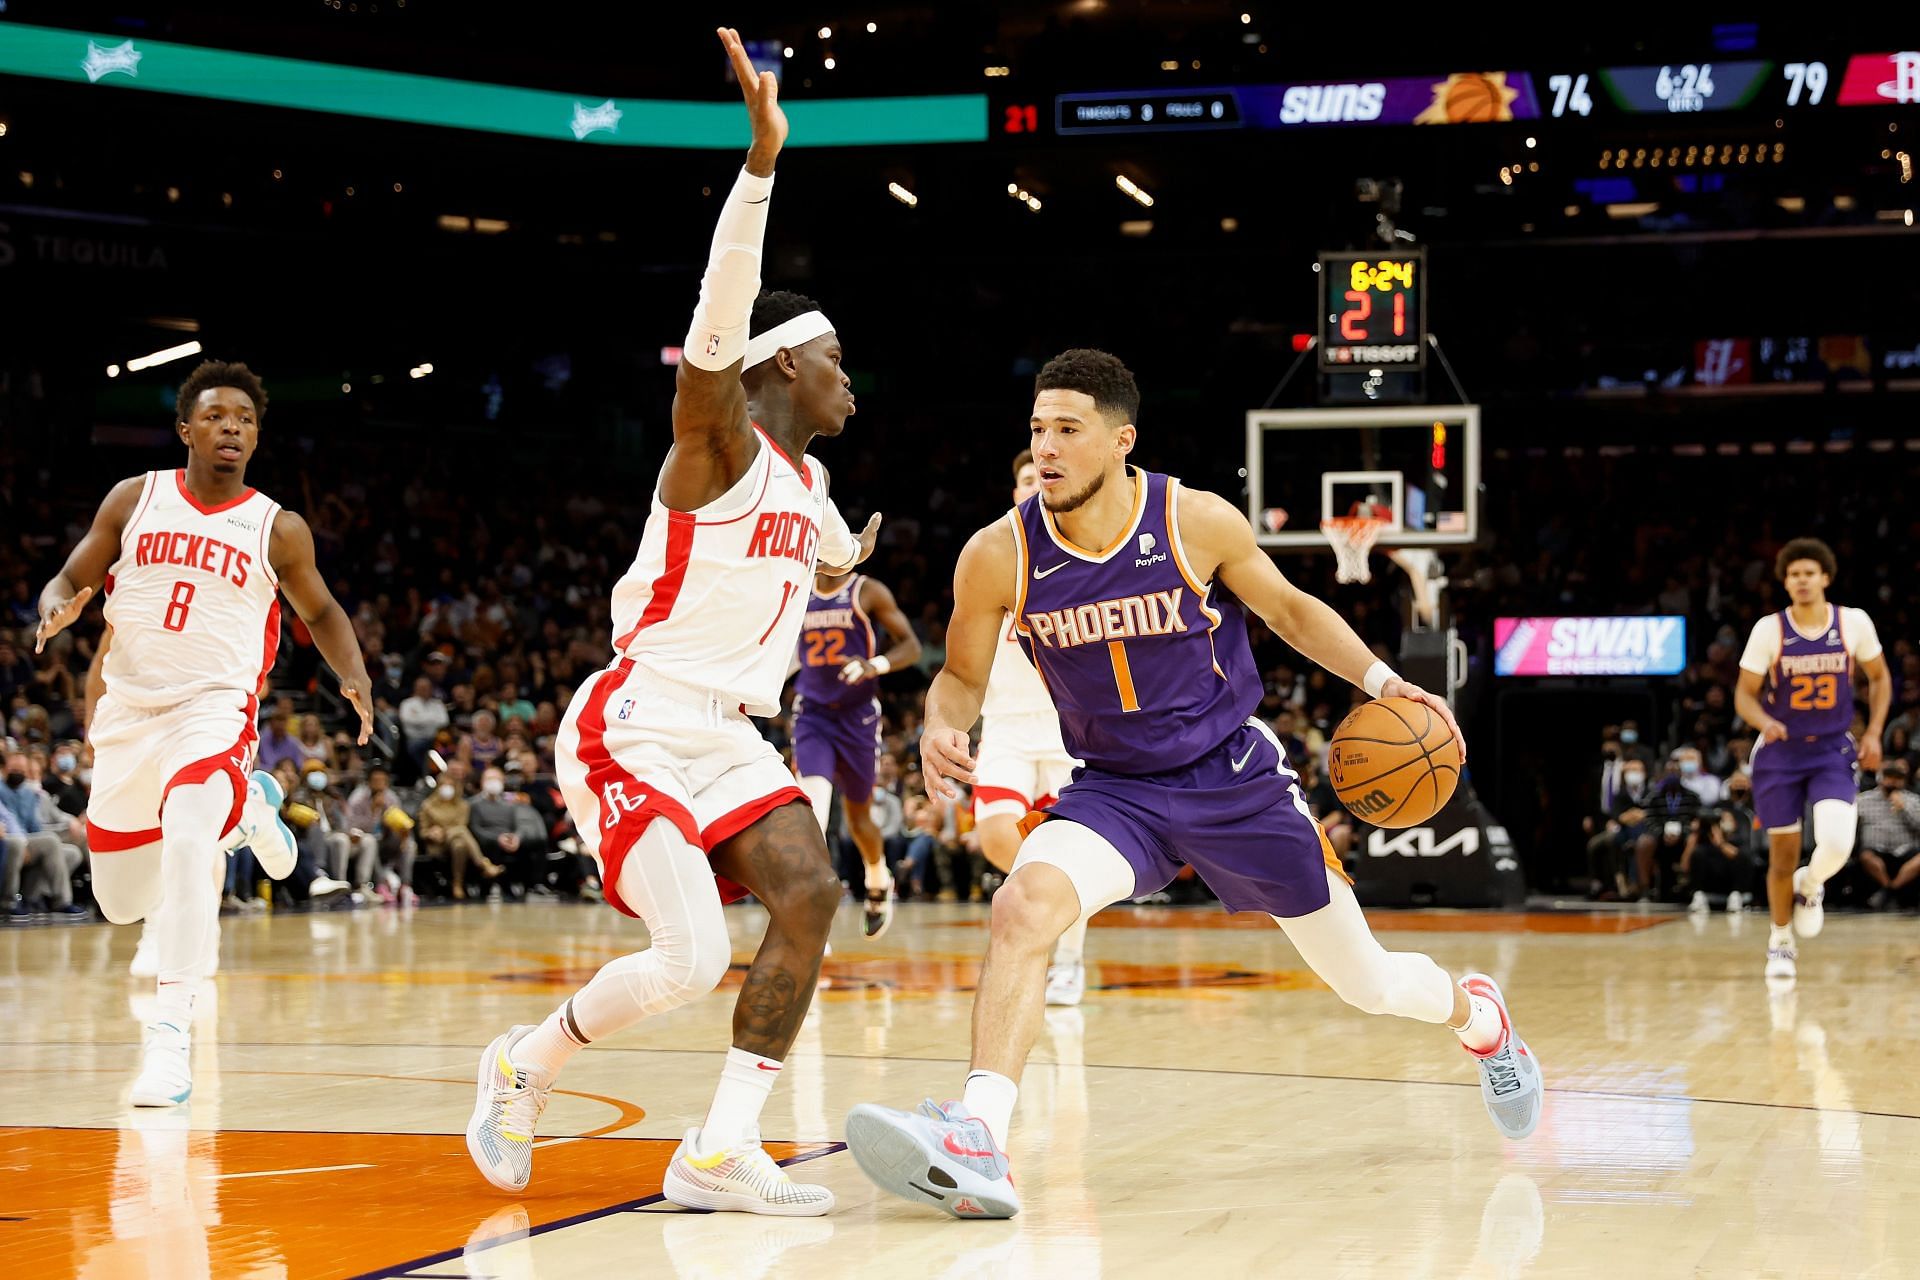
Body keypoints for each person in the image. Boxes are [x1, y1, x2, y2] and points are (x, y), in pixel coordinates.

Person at [845, 349, 1541, 1220]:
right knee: (1022, 906)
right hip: (1115, 790)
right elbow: (959, 674)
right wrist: (946, 722)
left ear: (1120, 440)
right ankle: (979, 1137)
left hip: (1233, 777)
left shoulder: (1194, 520)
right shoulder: (997, 555)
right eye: (1037, 431)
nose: (1047, 449)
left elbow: (1288, 612)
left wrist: (1382, 681)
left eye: (1069, 430)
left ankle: (1478, 1016)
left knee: (1366, 983)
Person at [465, 29, 877, 1216]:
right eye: (835, 361)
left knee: (810, 895)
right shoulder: (715, 444)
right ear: (780, 368)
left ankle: (717, 1150)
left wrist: (852, 550)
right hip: (635, 719)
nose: (852, 381)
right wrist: (760, 166)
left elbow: (828, 543)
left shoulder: (808, 488)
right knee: (691, 959)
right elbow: (718, 316)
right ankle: (524, 1062)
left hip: (736, 733)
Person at [33, 359, 372, 1106]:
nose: (233, 428)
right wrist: (56, 604)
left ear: (256, 437)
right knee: (121, 902)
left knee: (187, 836)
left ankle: (171, 1033)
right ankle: (247, 807)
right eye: (218, 416)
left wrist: (355, 677)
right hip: (128, 717)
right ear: (187, 429)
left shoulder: (277, 527)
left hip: (211, 712)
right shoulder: (135, 498)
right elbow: (71, 575)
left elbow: (321, 613)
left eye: (246, 420)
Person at [1734, 537, 1889, 982]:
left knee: (1838, 843)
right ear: (1785, 582)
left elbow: (1879, 678)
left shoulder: (1853, 622)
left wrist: (1875, 731)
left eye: (1809, 573)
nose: (1801, 580)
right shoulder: (1770, 629)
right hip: (1780, 753)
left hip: (1830, 749)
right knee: (1782, 854)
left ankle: (1813, 882)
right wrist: (1764, 720)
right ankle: (1780, 941)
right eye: (1793, 574)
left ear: (1825, 578)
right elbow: (1744, 695)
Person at [972, 449, 1088, 1005]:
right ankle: (1049, 910)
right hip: (1007, 726)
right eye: (1023, 478)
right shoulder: (996, 554)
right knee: (995, 833)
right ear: (1015, 490)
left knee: (1068, 848)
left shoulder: (1088, 553)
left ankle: (1067, 960)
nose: (1032, 484)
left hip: (1070, 728)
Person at [791, 568, 920, 936]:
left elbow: (910, 645)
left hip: (857, 718)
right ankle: (811, 919)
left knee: (858, 819)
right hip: (813, 715)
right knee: (812, 809)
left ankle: (878, 875)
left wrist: (874, 664)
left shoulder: (867, 590)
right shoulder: (797, 587)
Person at [1856, 759, 1920, 909]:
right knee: (1867, 857)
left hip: (1905, 850)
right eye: (1890, 777)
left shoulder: (1914, 801)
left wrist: (1904, 808)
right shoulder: (1863, 800)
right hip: (1876, 850)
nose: (1893, 782)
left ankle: (1890, 891)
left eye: (1898, 778)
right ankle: (1889, 888)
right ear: (1882, 778)